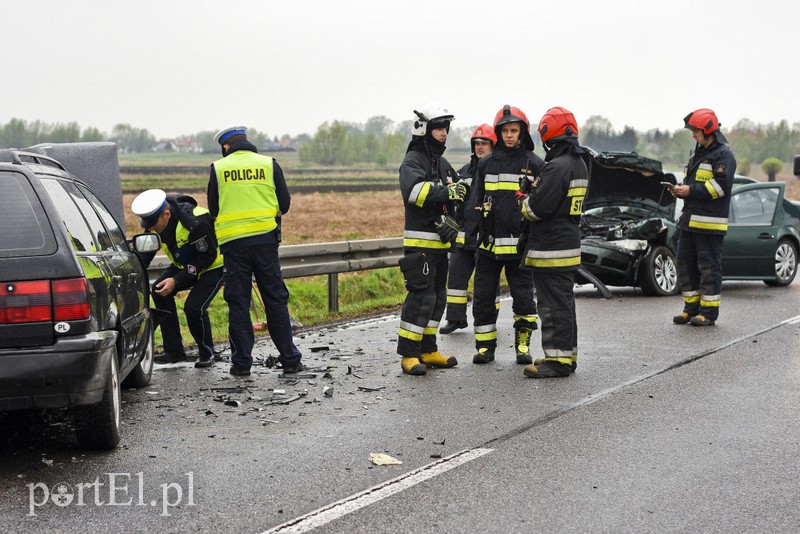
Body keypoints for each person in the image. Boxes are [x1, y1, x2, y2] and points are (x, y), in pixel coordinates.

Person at [207, 126, 303, 376]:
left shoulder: (218, 168)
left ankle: (241, 365)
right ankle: (290, 360)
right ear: (247, 141)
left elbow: (214, 209)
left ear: (225, 146)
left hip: (234, 246)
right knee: (275, 300)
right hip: (265, 243)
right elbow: (285, 204)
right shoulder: (269, 164)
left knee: (238, 304)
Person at [470, 105, 543, 365]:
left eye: (514, 130)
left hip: (519, 247)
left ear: (523, 132)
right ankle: (484, 347)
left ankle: (523, 346)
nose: (509, 135)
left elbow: (541, 204)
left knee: (523, 299)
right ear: (498, 133)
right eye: (505, 131)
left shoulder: (535, 164)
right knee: (483, 298)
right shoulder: (486, 164)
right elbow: (476, 201)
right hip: (488, 246)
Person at [519, 107, 588, 378]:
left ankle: (557, 361)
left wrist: (523, 200)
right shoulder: (579, 163)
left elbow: (536, 210)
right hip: (567, 246)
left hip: (550, 249)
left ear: (548, 135)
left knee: (551, 308)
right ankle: (566, 356)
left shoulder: (557, 166)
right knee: (564, 305)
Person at [396, 102, 462, 376]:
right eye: (438, 128)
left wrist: (461, 191)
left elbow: (458, 189)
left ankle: (428, 349)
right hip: (419, 246)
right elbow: (413, 192)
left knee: (437, 298)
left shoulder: (442, 163)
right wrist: (448, 192)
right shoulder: (413, 161)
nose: (444, 133)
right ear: (424, 129)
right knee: (421, 299)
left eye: (446, 128)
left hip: (439, 247)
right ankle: (409, 355)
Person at [131, 189, 224, 368]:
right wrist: (134, 272)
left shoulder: (195, 222)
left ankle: (207, 353)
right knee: (158, 290)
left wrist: (177, 281)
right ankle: (174, 352)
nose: (150, 228)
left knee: (194, 308)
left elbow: (206, 257)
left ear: (166, 214)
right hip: (186, 263)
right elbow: (146, 253)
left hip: (213, 266)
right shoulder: (155, 221)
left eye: (153, 224)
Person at [670, 108, 736, 326]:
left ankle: (708, 313)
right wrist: (681, 190)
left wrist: (690, 191)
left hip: (710, 224)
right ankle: (691, 309)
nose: (693, 135)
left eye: (696, 131)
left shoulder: (724, 155)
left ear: (708, 131)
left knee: (708, 268)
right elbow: (693, 184)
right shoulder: (697, 154)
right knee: (684, 263)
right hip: (690, 221)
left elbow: (720, 187)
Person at [440, 124, 497, 335]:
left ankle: (489, 318)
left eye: (484, 143)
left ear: (493, 146)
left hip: (485, 238)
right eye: (477, 143)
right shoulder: (463, 173)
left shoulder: (497, 172)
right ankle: (455, 319)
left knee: (487, 283)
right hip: (463, 238)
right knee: (455, 279)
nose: (479, 147)